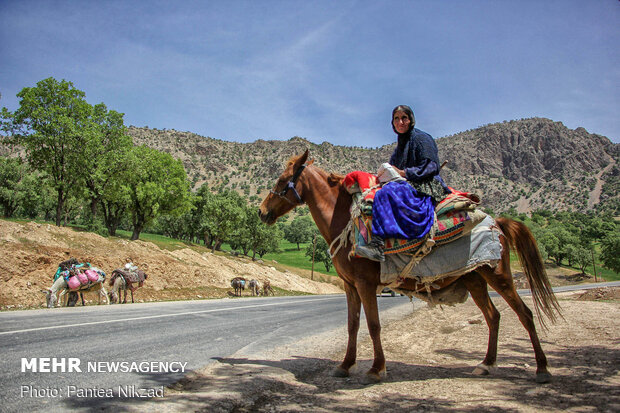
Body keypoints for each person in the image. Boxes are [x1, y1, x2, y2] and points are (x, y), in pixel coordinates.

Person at [355, 105, 451, 262]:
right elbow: (394, 168)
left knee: (386, 193)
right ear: (392, 123)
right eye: (396, 119)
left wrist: (403, 173)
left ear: (411, 119)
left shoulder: (421, 139)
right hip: (406, 183)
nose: (400, 122)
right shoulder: (400, 146)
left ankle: (378, 245)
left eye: (404, 118)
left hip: (425, 184)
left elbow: (431, 167)